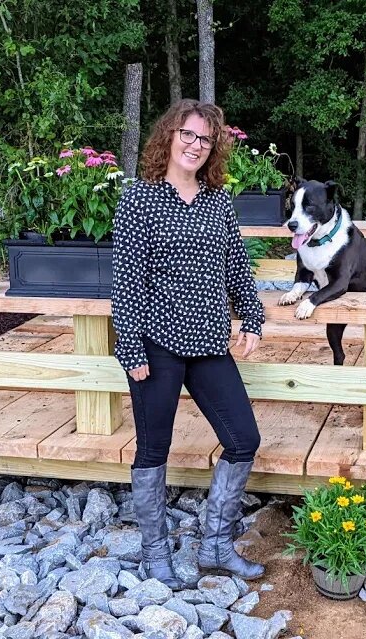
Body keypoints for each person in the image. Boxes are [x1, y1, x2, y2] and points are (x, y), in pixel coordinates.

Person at [111, 99, 266, 589]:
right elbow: (127, 282)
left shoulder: (218, 202)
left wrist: (253, 318)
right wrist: (131, 351)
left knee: (244, 439)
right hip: (155, 346)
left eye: (205, 139)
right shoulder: (139, 199)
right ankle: (155, 551)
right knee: (154, 448)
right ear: (169, 136)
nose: (195, 145)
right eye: (188, 134)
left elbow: (238, 268)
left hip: (208, 344)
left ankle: (216, 547)